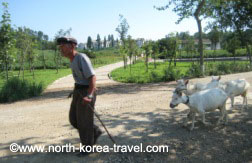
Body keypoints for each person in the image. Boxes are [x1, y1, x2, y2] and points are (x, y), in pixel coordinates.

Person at [57, 36, 102, 156]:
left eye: (63, 46)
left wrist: (90, 95)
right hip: (78, 91)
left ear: (72, 46)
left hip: (86, 92)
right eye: (60, 47)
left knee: (84, 122)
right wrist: (74, 90)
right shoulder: (72, 60)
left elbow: (92, 77)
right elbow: (80, 79)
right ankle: (94, 131)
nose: (61, 49)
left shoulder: (81, 57)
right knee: (74, 119)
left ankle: (88, 147)